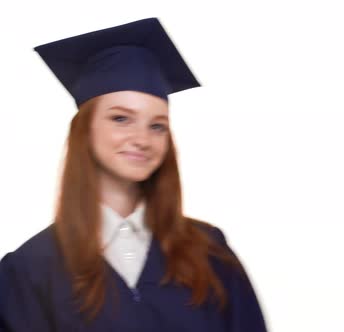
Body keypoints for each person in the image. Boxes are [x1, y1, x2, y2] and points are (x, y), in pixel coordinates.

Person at [0, 17, 268, 332]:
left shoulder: (209, 251)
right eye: (121, 119)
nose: (142, 139)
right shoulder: (29, 268)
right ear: (84, 130)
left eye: (157, 126)